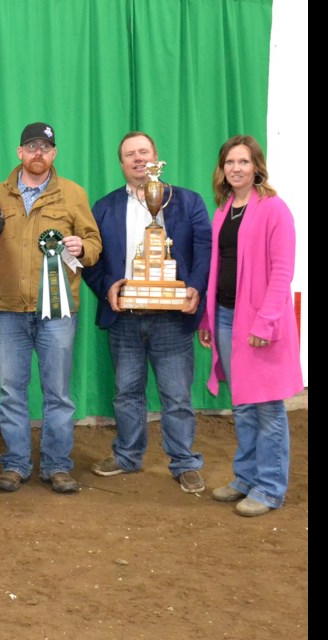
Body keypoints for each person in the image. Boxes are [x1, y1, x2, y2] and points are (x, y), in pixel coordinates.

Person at [82, 132, 211, 493]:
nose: (138, 159)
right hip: (125, 316)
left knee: (177, 395)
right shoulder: (105, 207)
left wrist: (195, 288)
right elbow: (91, 259)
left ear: (156, 157)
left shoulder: (187, 201)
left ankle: (184, 461)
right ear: (121, 163)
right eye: (129, 155)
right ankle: (127, 455)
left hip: (171, 317)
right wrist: (107, 286)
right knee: (126, 391)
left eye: (144, 152)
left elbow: (204, 250)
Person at [0, 122, 101, 494]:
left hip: (57, 312)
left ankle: (57, 465)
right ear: (19, 153)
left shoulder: (73, 194)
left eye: (45, 148)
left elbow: (93, 242)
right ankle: (15, 464)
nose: (38, 153)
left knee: (57, 392)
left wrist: (84, 248)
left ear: (54, 153)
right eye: (31, 147)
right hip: (9, 312)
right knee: (12, 391)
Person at [197, 135, 303, 517]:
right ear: (222, 169)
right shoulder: (224, 209)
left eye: (243, 162)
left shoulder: (275, 209)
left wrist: (266, 319)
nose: (236, 168)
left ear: (257, 166)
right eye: (229, 162)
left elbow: (282, 272)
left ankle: (270, 488)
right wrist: (208, 317)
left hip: (260, 323)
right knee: (242, 403)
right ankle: (245, 477)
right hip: (226, 316)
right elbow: (218, 267)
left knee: (267, 407)